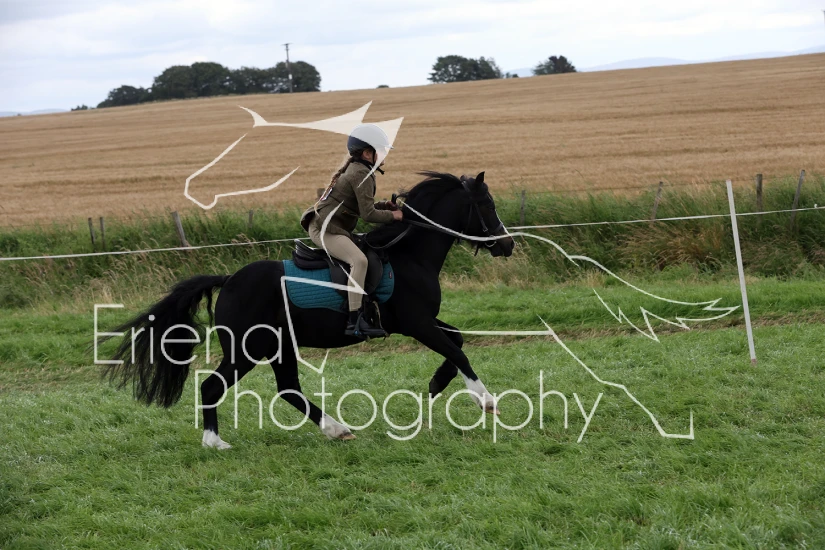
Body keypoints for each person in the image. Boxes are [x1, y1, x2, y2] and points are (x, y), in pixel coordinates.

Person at [300, 124, 403, 339]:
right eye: (380, 150)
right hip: (324, 229)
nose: (384, 155)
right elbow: (368, 215)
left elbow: (360, 205)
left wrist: (384, 206)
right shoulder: (361, 173)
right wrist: (394, 216)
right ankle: (354, 320)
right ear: (367, 153)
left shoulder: (361, 170)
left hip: (333, 225)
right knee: (359, 261)